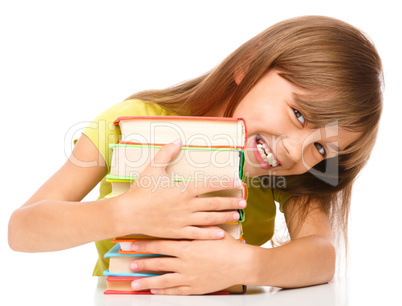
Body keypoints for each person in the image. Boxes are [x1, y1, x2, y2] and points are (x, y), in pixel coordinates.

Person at [8, 15, 383, 295]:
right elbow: (22, 230)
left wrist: (251, 264)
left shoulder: (285, 175)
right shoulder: (131, 123)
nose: (293, 149)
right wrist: (123, 212)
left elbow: (321, 255)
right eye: (299, 114)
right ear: (247, 66)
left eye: (321, 148)